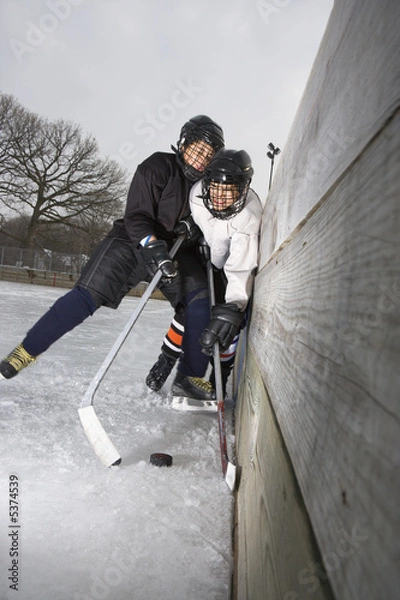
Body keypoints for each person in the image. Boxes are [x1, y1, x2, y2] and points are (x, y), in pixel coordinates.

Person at [0, 115, 224, 397]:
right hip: (132, 241)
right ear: (183, 144)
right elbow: (137, 214)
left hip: (176, 251)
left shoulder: (208, 187)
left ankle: (188, 377)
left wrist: (195, 229)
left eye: (209, 154)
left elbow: (215, 224)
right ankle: (26, 350)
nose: (202, 159)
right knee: (86, 296)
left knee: (200, 299)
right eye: (198, 149)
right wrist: (151, 244)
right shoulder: (158, 166)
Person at [145, 148, 262, 398]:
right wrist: (190, 226)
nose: (219, 196)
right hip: (201, 255)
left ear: (242, 189)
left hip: (227, 266)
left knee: (228, 323)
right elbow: (188, 214)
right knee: (191, 309)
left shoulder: (248, 218)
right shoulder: (197, 194)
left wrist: (235, 304)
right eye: (215, 187)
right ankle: (165, 360)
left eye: (228, 189)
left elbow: (240, 268)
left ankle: (220, 375)